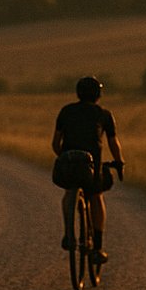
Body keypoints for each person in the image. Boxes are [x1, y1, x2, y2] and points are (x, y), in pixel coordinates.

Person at [52, 75, 124, 263]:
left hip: (69, 165)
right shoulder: (104, 114)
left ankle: (69, 234)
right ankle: (98, 248)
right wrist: (119, 162)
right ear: (98, 94)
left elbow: (55, 143)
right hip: (93, 167)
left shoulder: (66, 111)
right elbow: (113, 142)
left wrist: (64, 156)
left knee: (69, 192)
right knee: (96, 196)